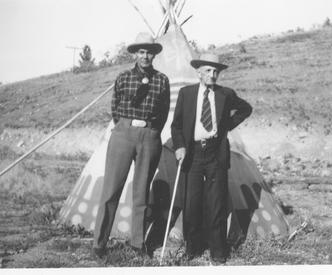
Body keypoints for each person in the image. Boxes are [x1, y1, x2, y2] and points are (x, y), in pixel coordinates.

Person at [92, 32, 170, 258]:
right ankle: (99, 244)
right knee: (111, 189)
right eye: (141, 52)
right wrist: (125, 127)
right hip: (123, 135)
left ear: (154, 55)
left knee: (142, 191)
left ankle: (138, 244)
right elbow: (115, 108)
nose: (145, 56)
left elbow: (163, 112)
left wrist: (151, 131)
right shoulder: (123, 77)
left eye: (149, 52)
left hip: (149, 136)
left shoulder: (162, 80)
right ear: (135, 54)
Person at [171, 53, 252, 264]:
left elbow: (246, 109)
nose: (213, 74)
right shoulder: (186, 94)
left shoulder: (225, 94)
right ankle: (193, 247)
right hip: (193, 154)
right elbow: (176, 125)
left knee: (216, 203)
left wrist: (225, 127)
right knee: (192, 203)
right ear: (198, 72)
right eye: (208, 70)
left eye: (216, 71)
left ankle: (218, 251)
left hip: (216, 153)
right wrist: (179, 146)